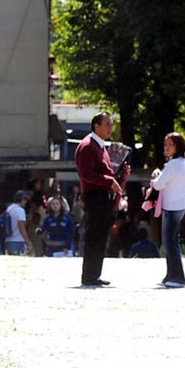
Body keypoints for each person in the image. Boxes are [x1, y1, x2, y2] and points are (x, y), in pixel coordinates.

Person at [74, 112, 128, 286]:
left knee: (101, 236)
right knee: (95, 236)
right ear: (96, 126)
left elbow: (106, 172)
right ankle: (89, 275)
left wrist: (121, 176)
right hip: (94, 196)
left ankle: (94, 274)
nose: (110, 129)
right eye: (107, 125)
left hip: (103, 196)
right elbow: (86, 174)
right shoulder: (88, 146)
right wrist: (109, 181)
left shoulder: (100, 145)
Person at [150, 133, 185, 286]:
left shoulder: (173, 164)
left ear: (178, 147)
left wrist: (155, 176)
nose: (166, 148)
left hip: (171, 207)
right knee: (172, 241)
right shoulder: (184, 162)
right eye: (165, 145)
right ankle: (170, 276)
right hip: (179, 206)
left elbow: (159, 184)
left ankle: (178, 278)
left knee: (169, 243)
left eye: (170, 145)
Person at [4, 190, 33, 256]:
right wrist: (28, 242)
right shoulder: (20, 210)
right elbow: (21, 227)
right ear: (23, 199)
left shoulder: (9, 208)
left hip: (8, 240)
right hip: (18, 240)